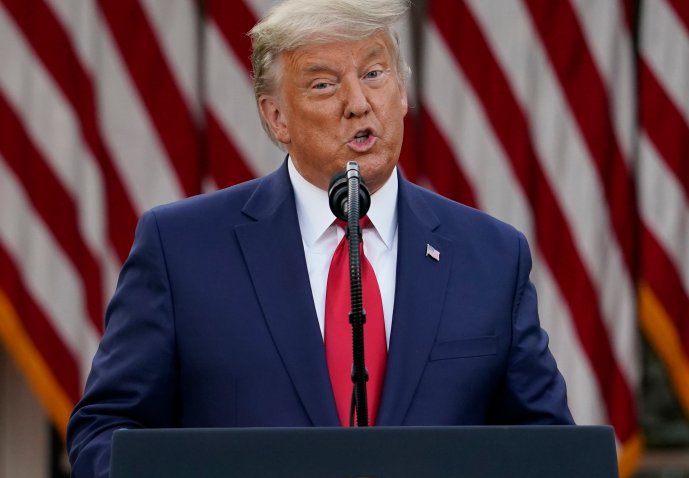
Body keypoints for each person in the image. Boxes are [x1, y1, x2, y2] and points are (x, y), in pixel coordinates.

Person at [67, 0, 574, 475]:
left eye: (374, 74)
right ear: (276, 117)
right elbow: (105, 431)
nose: (358, 103)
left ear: (402, 92)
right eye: (323, 85)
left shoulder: (491, 255)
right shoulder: (180, 249)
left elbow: (551, 446)